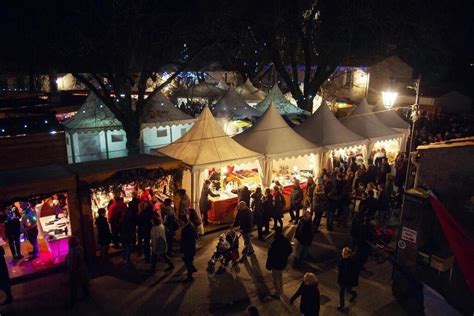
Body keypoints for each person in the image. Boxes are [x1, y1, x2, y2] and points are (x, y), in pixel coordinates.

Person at [266, 226, 292, 299]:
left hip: (275, 264)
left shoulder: (274, 243)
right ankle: (281, 290)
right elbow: (290, 250)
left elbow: (270, 255)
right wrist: (285, 256)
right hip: (283, 262)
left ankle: (278, 293)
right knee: (280, 276)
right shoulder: (286, 240)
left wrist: (268, 265)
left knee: (275, 279)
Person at [66, 236, 90, 307]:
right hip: (82, 270)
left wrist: (71, 271)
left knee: (73, 287)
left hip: (75, 271)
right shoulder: (80, 248)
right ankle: (87, 295)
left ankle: (72, 303)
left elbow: (73, 263)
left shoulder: (73, 251)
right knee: (83, 283)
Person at [181, 214, 198, 282]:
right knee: (188, 259)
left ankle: (190, 276)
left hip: (188, 247)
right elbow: (196, 236)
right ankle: (193, 268)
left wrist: (182, 248)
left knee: (188, 261)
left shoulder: (187, 228)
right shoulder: (190, 225)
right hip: (191, 246)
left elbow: (185, 239)